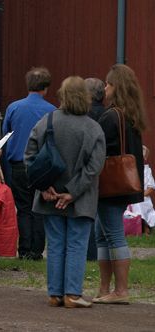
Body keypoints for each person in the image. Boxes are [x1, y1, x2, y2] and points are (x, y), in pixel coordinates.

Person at [26, 76, 106, 308]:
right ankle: (72, 294)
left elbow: (29, 156)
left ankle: (55, 294)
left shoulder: (46, 121)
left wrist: (44, 188)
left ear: (62, 95)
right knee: (77, 245)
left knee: (56, 244)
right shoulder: (93, 128)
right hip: (80, 199)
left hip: (48, 196)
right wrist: (72, 192)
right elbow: (94, 168)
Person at [93, 64, 146, 305]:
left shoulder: (110, 116)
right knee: (102, 234)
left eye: (108, 84)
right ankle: (105, 287)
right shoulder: (131, 115)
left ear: (116, 87)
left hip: (109, 185)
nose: (105, 88)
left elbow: (98, 149)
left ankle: (120, 290)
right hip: (125, 184)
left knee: (112, 235)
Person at [3, 67, 55, 260]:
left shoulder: (14, 107)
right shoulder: (51, 111)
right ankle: (37, 250)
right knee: (39, 207)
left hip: (18, 163)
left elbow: (6, 133)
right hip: (41, 165)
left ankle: (24, 249)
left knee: (23, 208)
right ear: (46, 88)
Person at [84, 77, 106, 261]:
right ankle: (101, 252)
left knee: (87, 213)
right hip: (106, 170)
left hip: (87, 170)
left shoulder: (83, 116)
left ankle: (90, 252)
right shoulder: (108, 113)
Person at [127, 146, 155, 233]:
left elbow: (151, 188)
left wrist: (139, 195)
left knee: (139, 204)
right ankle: (136, 228)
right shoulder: (128, 170)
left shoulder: (146, 170)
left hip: (143, 197)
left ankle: (145, 227)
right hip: (129, 198)